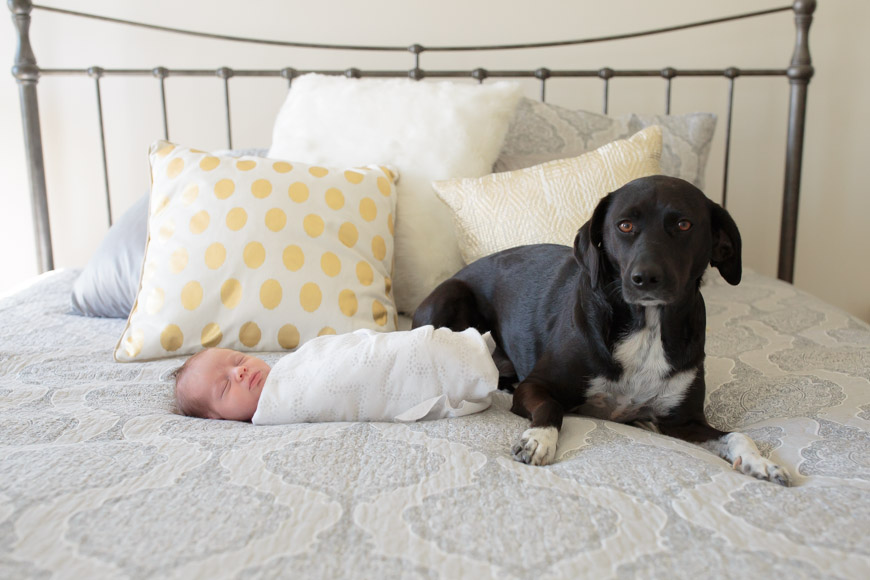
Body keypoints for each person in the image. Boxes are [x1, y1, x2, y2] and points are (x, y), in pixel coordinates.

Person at [173, 325, 499, 424]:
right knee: (409, 361)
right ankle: (462, 364)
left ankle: (458, 352)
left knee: (414, 347)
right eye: (225, 386)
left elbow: (340, 353)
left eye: (237, 359)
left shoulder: (292, 364)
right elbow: (346, 383)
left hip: (402, 348)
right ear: (217, 420)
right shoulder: (278, 408)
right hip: (399, 368)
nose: (240, 371)